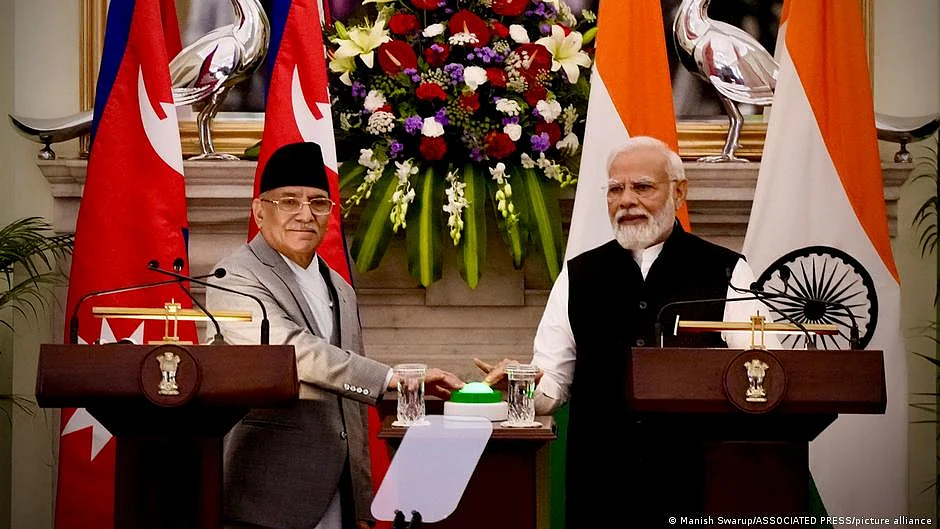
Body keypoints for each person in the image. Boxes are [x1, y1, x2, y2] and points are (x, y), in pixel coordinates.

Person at [476, 136, 779, 526]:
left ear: (679, 192)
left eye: (642, 187)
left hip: (697, 485)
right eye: (616, 189)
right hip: (601, 488)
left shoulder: (727, 271)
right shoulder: (579, 275)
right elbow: (551, 388)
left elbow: (763, 371)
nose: (626, 201)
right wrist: (521, 384)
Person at [205, 142, 463, 529]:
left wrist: (360, 499)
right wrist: (392, 377)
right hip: (267, 492)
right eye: (289, 202)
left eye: (318, 202)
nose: (305, 214)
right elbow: (290, 352)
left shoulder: (339, 285)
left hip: (337, 493)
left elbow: (352, 407)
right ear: (259, 211)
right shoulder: (235, 276)